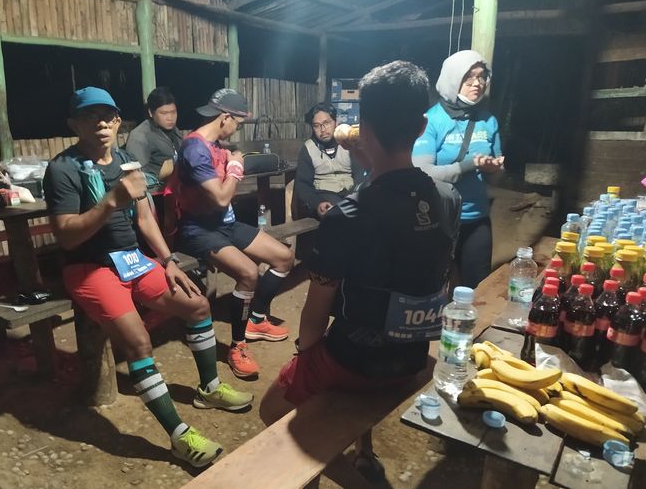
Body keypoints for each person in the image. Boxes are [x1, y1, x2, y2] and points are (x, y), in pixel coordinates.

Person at [259, 62, 461, 484]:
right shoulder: (448, 198)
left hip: (353, 362)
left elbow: (315, 316)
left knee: (273, 409)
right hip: (413, 355)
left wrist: (304, 360)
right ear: (423, 126)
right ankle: (362, 450)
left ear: (362, 129)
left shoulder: (348, 214)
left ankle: (351, 479)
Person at [43, 87, 253, 468]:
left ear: (118, 121)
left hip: (133, 260)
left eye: (108, 115)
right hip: (89, 267)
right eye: (90, 117)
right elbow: (66, 235)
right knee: (140, 342)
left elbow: (144, 219)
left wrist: (168, 259)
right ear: (75, 124)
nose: (101, 123)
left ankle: (208, 388)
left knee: (197, 304)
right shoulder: (63, 169)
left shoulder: (125, 161)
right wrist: (110, 201)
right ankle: (178, 436)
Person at [172, 88, 295, 379]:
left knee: (283, 257)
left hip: (224, 225)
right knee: (249, 273)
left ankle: (255, 318)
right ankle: (237, 345)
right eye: (238, 122)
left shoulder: (216, 146)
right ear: (225, 117)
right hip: (197, 229)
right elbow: (220, 198)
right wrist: (236, 169)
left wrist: (232, 159)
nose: (237, 128)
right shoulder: (195, 148)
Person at [412, 50, 504, 289]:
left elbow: (496, 180)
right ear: (453, 79)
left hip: (477, 218)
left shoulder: (488, 121)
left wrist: (493, 169)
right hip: (436, 220)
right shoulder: (430, 120)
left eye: (482, 76)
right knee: (430, 287)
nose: (478, 83)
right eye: (469, 77)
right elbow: (422, 173)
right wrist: (469, 165)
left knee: (478, 288)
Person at [294, 102, 365, 219]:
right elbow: (302, 185)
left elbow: (360, 174)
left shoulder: (347, 143)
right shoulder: (308, 149)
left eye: (326, 123)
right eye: (317, 126)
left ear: (335, 122)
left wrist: (356, 195)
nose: (322, 129)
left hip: (350, 193)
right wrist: (317, 203)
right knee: (340, 215)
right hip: (324, 195)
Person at [125, 86, 183, 188]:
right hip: (154, 193)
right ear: (151, 113)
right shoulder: (140, 136)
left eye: (173, 112)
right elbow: (135, 175)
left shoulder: (175, 131)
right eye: (164, 113)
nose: (170, 118)